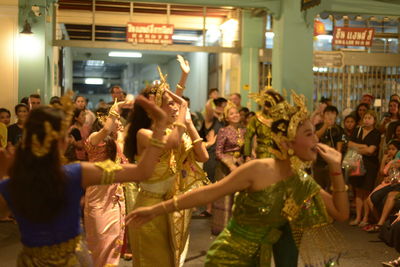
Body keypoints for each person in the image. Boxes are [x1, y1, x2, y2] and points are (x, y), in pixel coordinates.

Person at [127, 90, 349, 267]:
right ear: (287, 142)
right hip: (229, 259)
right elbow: (208, 192)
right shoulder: (259, 169)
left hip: (259, 260)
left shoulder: (300, 180)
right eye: (309, 134)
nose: (315, 139)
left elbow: (341, 213)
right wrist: (154, 210)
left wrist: (336, 170)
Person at [0, 94, 168, 266]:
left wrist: (3, 172)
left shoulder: (12, 185)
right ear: (62, 143)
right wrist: (160, 124)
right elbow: (143, 171)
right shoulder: (75, 173)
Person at [124, 68, 209, 267]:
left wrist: (189, 123)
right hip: (148, 208)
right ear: (155, 111)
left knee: (171, 262)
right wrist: (182, 106)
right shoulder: (143, 134)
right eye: (169, 105)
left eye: (176, 105)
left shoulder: (175, 130)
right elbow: (170, 142)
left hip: (170, 208)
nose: (175, 108)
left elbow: (203, 156)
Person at [84, 102, 129, 267]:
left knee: (114, 237)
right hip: (98, 195)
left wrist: (120, 134)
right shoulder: (94, 137)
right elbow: (105, 131)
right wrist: (114, 112)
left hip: (114, 195)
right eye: (114, 119)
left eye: (118, 119)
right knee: (100, 238)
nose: (118, 121)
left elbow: (120, 159)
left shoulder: (114, 143)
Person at [212, 101, 246, 235]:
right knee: (225, 198)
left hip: (240, 165)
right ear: (227, 117)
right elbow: (218, 152)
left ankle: (238, 228)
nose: (235, 115)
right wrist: (230, 164)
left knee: (240, 197)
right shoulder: (223, 131)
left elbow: (246, 149)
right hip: (225, 167)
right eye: (232, 113)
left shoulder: (244, 130)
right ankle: (223, 229)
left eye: (237, 112)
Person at [348, 110, 381, 227]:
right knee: (358, 191)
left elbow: (371, 151)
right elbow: (349, 145)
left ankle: (366, 218)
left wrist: (358, 148)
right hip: (357, 163)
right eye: (365, 118)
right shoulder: (358, 130)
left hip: (370, 165)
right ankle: (358, 217)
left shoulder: (376, 133)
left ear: (374, 120)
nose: (366, 120)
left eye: (369, 118)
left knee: (366, 191)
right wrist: (362, 146)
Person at [313, 106, 344, 191]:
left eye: (333, 113)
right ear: (323, 115)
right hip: (318, 162)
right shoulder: (318, 126)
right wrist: (326, 125)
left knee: (332, 188)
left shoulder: (339, 129)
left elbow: (339, 146)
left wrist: (336, 162)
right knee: (318, 188)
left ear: (336, 116)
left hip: (331, 163)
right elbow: (315, 137)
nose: (330, 116)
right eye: (328, 113)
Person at [244, 90, 274, 161]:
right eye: (266, 101)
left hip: (277, 154)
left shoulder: (279, 118)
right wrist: (247, 155)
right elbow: (248, 137)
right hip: (262, 154)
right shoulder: (255, 119)